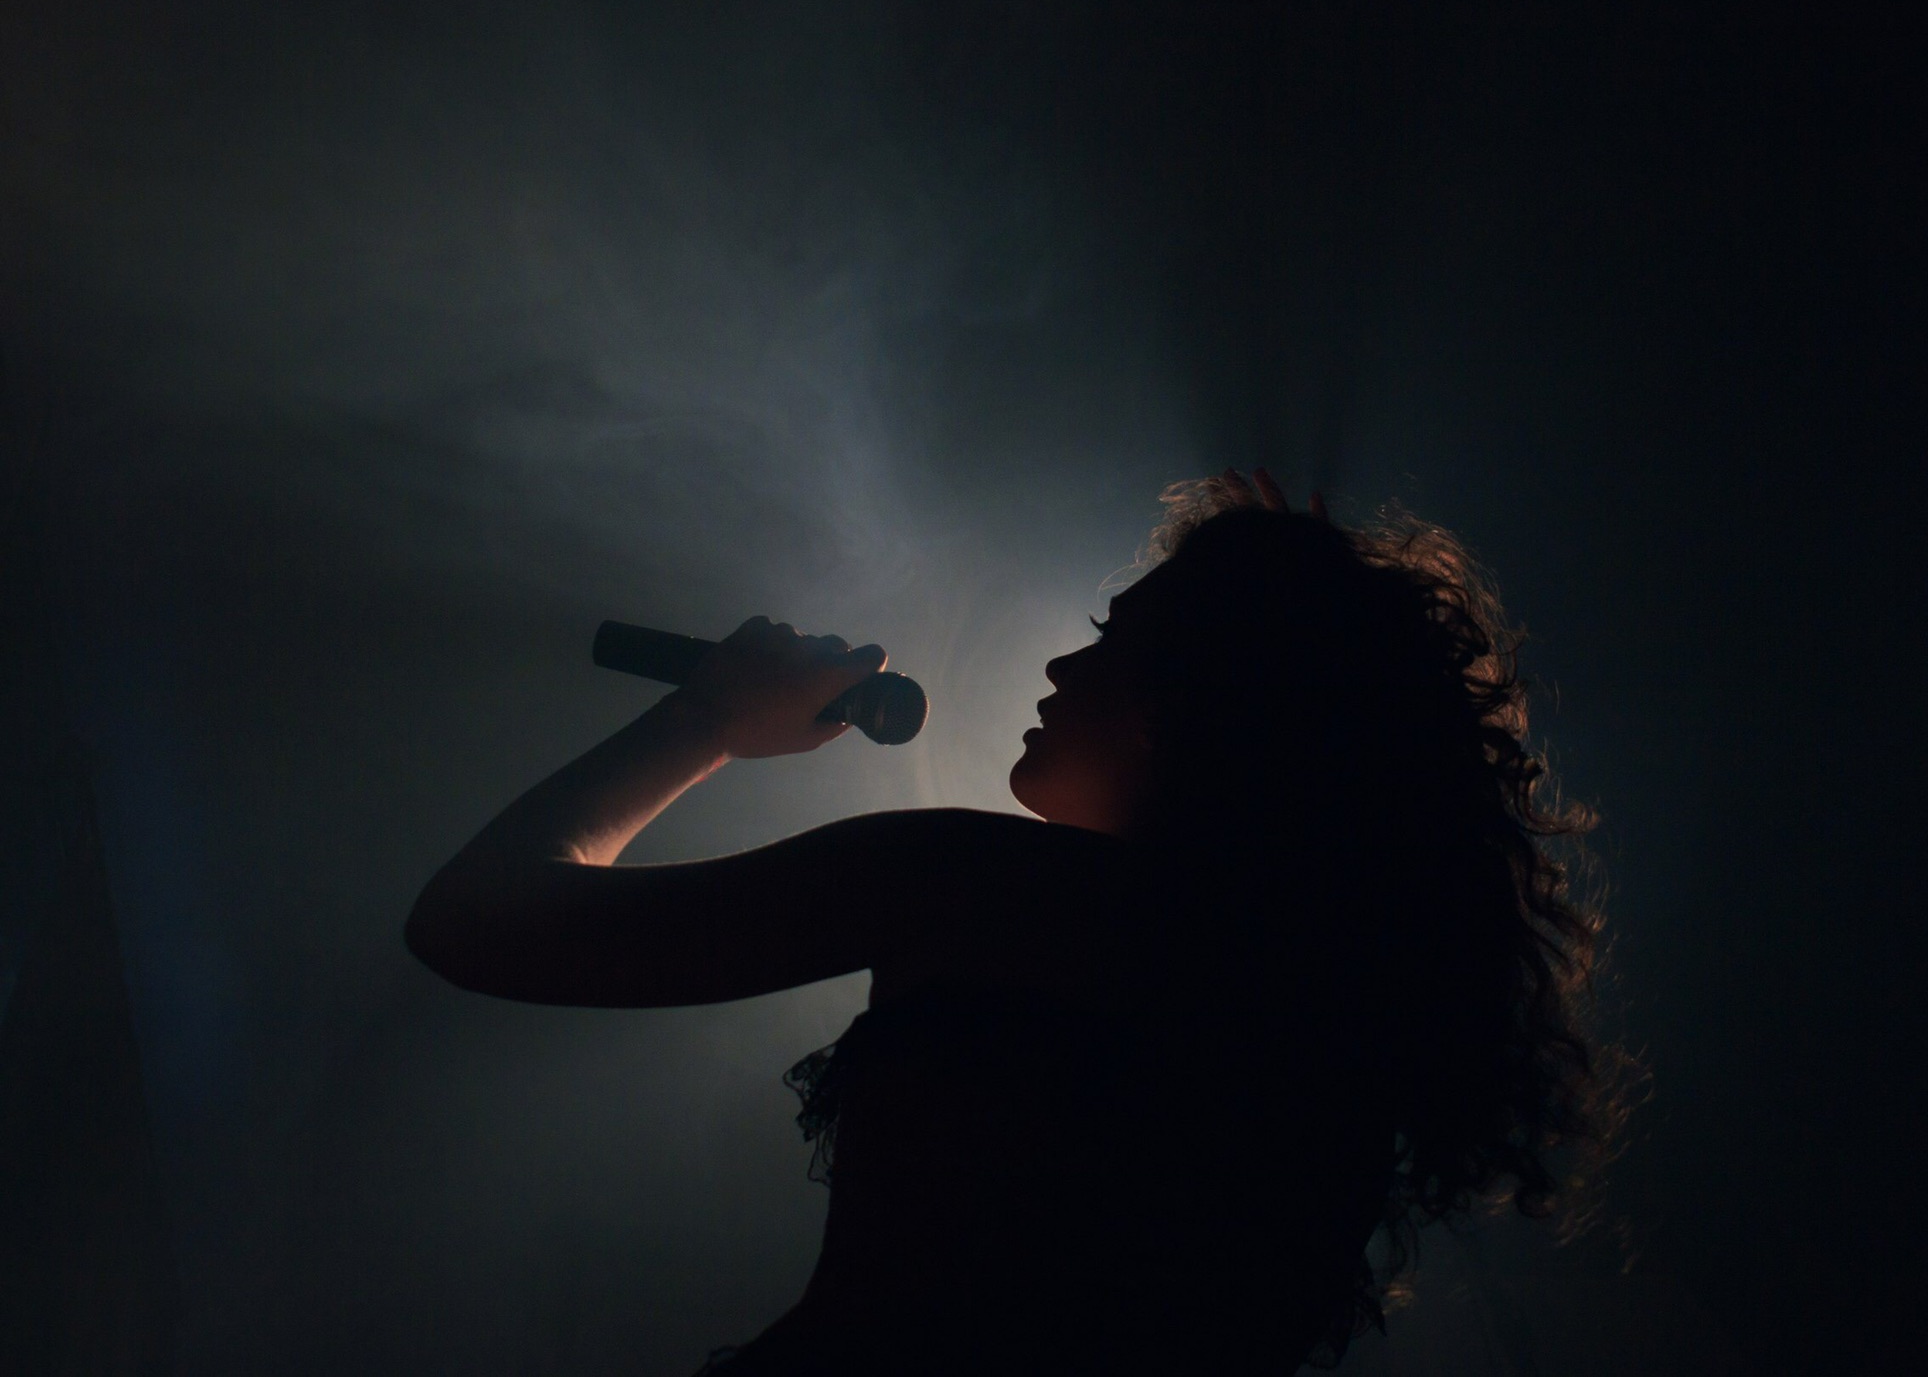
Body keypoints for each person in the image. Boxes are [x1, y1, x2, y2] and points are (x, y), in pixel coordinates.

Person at [406, 469, 1613, 1374]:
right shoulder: (1327, 1030)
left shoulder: (983, 885)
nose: (1055, 673)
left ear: (1196, 705)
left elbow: (480, 921)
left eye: (1109, 644)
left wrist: (706, 720)